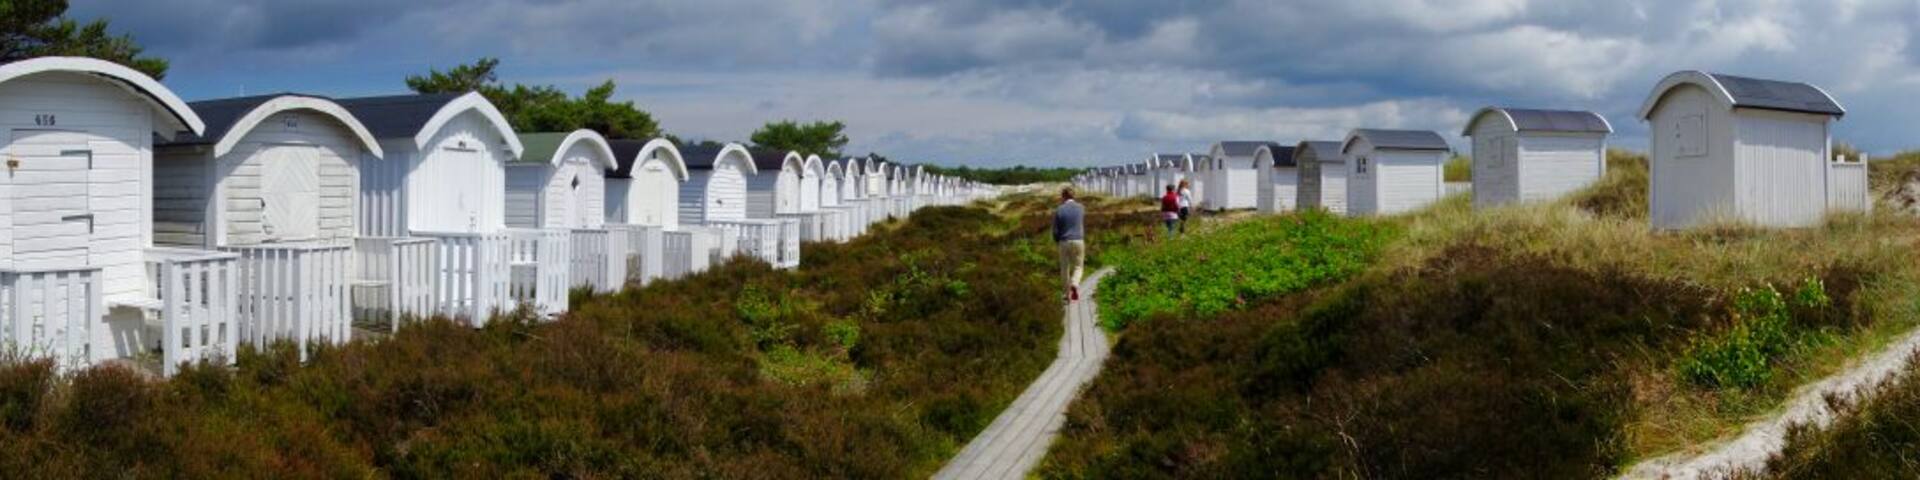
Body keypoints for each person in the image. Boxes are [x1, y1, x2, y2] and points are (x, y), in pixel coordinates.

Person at [1054, 187, 1086, 302]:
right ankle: (1075, 283)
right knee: (1078, 266)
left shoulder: (1059, 209)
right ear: (1074, 196)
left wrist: (1057, 240)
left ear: (1063, 196)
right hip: (1078, 240)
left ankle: (1066, 294)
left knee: (1064, 268)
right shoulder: (1081, 208)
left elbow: (1056, 230)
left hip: (1064, 241)